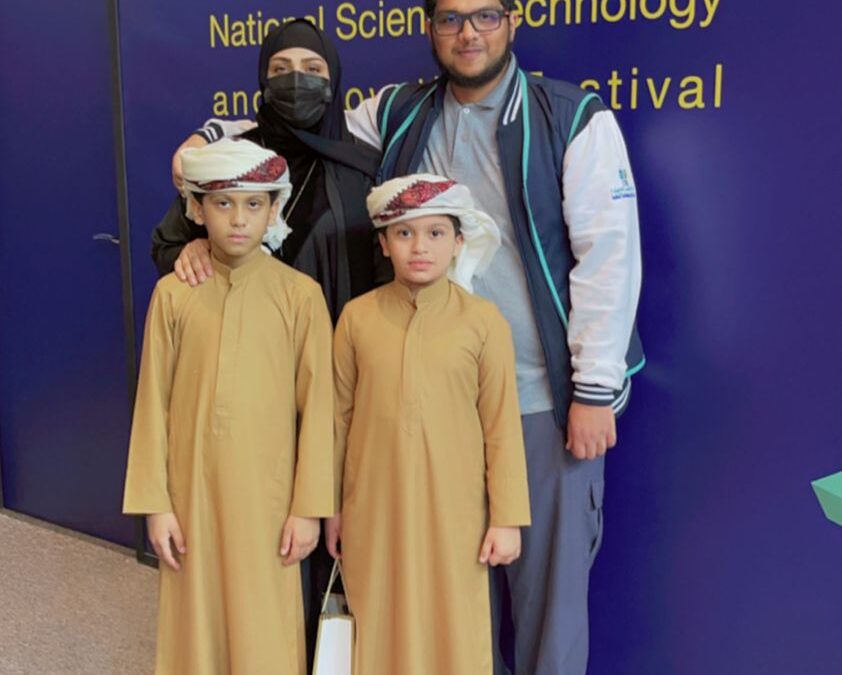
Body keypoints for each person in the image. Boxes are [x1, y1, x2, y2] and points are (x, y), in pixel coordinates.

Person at [182, 3, 645, 672]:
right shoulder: (402, 112)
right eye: (451, 19)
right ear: (430, 29)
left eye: (485, 16)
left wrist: (595, 388)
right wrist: (207, 141)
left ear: (511, 22)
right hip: (428, 414)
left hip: (537, 402)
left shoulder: (571, 117)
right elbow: (296, 125)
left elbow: (610, 254)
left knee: (549, 604)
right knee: (446, 602)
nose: (468, 33)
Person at [123, 138, 334, 675]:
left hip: (270, 500)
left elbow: (320, 412)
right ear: (197, 210)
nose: (239, 219)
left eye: (253, 204)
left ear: (274, 210)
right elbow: (152, 403)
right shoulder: (174, 295)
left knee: (265, 628)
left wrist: (309, 507)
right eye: (223, 203)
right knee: (194, 627)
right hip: (189, 493)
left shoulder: (301, 295)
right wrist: (155, 504)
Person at [327, 173, 531, 675]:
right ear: (384, 243)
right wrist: (330, 508)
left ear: (459, 242)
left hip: (455, 512)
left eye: (436, 233)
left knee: (452, 625)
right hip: (372, 507)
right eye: (404, 233)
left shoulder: (483, 322)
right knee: (378, 618)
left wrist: (506, 518)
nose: (420, 247)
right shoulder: (356, 318)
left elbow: (501, 426)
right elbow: (336, 419)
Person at [154, 19, 383, 322]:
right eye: (281, 69)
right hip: (244, 337)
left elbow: (387, 271)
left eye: (313, 69)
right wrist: (193, 251)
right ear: (265, 81)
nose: (297, 80)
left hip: (334, 340)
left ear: (333, 81)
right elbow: (167, 244)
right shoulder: (234, 157)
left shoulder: (362, 166)